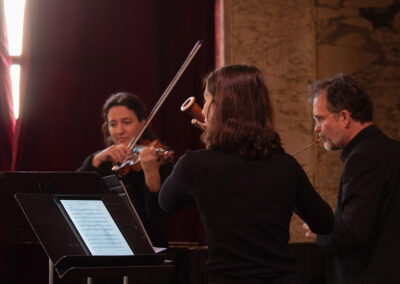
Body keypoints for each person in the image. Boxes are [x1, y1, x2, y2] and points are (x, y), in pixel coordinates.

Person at [158, 64, 334, 284]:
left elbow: (166, 201)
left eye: (206, 101)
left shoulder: (194, 165)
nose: (202, 111)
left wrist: (213, 145)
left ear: (219, 107)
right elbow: (325, 223)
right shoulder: (286, 166)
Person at [303, 74, 400, 283]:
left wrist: (318, 234)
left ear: (345, 117)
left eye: (319, 119)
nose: (316, 129)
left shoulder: (363, 158)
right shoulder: (392, 149)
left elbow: (353, 235)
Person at [78, 92, 172, 247]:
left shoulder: (158, 160)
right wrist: (94, 161)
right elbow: (74, 196)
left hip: (148, 251)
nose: (119, 130)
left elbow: (156, 219)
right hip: (104, 246)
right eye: (113, 124)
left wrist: (151, 174)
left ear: (143, 122)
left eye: (126, 122)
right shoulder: (103, 162)